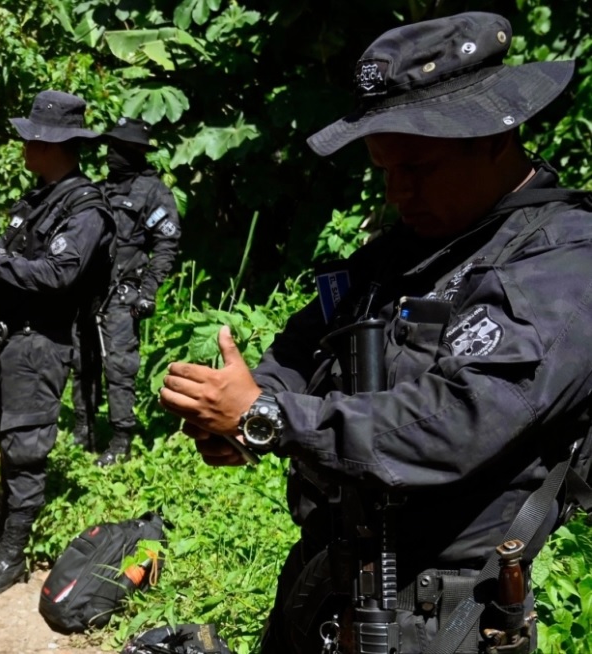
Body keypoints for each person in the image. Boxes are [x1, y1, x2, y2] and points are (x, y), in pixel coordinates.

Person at [160, 12, 586, 653]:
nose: (397, 192)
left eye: (417, 167)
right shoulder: (399, 253)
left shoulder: (562, 263)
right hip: (328, 580)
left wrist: (272, 417)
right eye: (384, 169)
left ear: (498, 137)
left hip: (442, 612)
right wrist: (243, 418)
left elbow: (454, 425)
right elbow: (301, 351)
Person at [0, 90, 114, 597]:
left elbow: (57, 274)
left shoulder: (86, 208)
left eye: (33, 139)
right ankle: (3, 529)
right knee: (9, 442)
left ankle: (12, 556)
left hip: (42, 343)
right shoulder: (38, 199)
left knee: (26, 449)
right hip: (12, 341)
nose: (25, 145)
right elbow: (13, 249)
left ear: (56, 145)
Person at [69, 117, 182, 466]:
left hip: (121, 295)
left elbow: (166, 243)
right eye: (110, 148)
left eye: (119, 149)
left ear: (135, 153)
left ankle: (121, 440)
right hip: (85, 293)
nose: (110, 155)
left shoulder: (151, 193)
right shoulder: (100, 189)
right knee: (81, 363)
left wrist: (148, 290)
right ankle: (82, 430)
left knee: (119, 367)